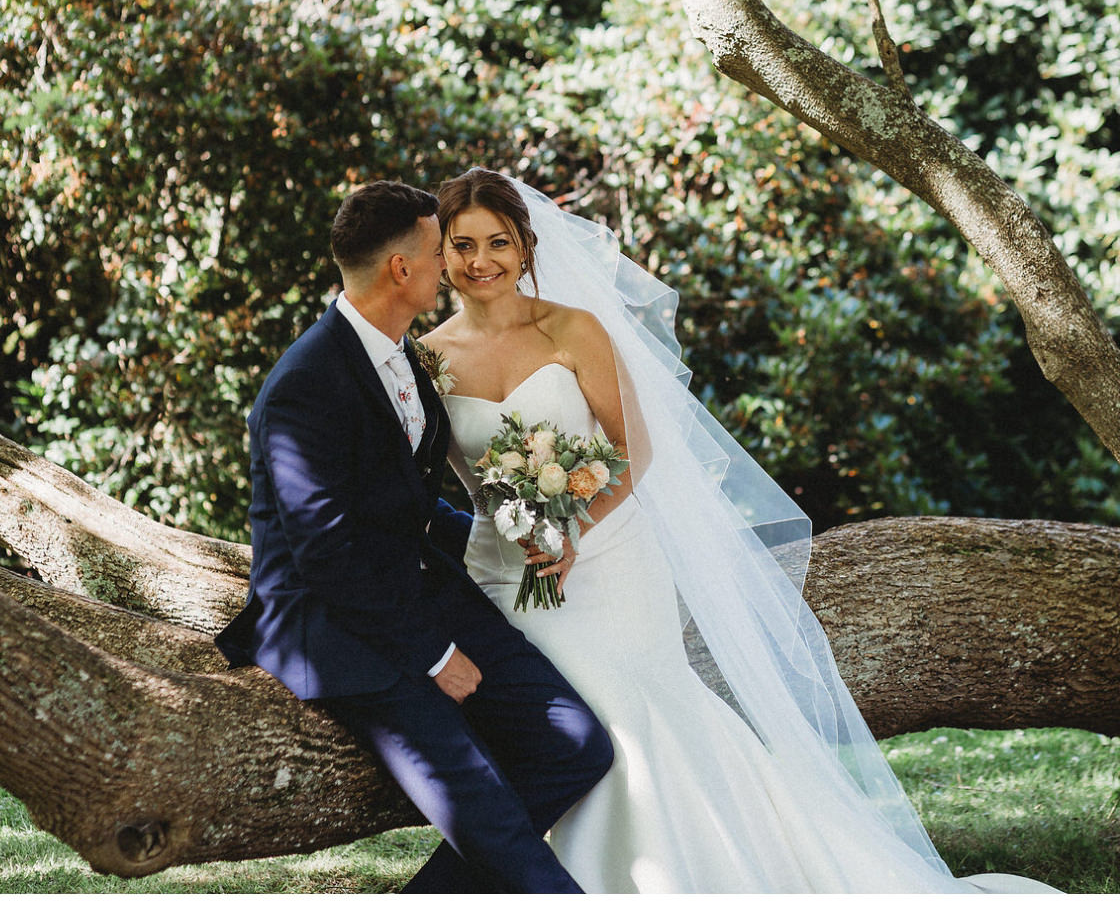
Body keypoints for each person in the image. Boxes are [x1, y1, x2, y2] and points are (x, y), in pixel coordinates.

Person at [421, 168, 1058, 893]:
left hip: (610, 559)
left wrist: (573, 532)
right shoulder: (428, 359)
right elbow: (437, 477)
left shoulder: (570, 328)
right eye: (462, 244)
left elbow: (633, 449)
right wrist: (517, 531)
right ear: (441, 254)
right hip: (507, 573)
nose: (481, 260)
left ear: (525, 246)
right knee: (566, 728)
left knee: (635, 712)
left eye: (498, 242)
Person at [214, 179, 613, 893]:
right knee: (484, 804)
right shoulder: (306, 384)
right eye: (440, 251)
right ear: (402, 269)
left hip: (416, 585)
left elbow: (408, 509)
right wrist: (434, 656)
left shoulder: (406, 356)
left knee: (576, 744)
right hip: (333, 622)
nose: (451, 266)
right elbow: (328, 554)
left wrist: (512, 529)